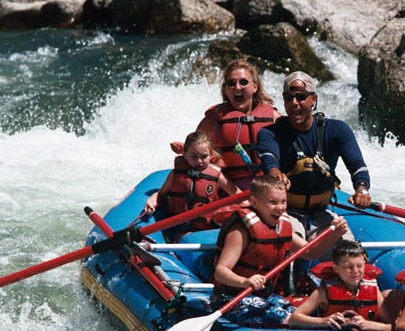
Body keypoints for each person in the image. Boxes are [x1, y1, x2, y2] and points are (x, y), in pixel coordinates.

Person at [211, 175, 349, 327]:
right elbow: (220, 271)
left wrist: (333, 234)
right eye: (272, 202)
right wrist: (245, 281)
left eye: (283, 202)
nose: (280, 208)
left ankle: (322, 323)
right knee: (286, 319)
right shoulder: (241, 230)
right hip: (231, 298)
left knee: (306, 313)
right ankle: (321, 324)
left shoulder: (282, 225)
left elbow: (310, 254)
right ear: (255, 202)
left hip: (265, 296)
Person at [256, 71, 372, 235]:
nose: (294, 103)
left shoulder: (338, 130)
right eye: (289, 98)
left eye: (301, 96)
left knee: (349, 254)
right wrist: (274, 173)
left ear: (314, 100)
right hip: (285, 213)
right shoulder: (270, 133)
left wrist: (362, 189)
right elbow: (269, 159)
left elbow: (357, 166)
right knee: (292, 241)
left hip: (322, 212)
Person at [194, 59, 280, 191]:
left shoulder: (273, 117)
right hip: (229, 192)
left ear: (255, 87)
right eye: (231, 83)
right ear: (226, 90)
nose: (237, 87)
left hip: (267, 191)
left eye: (244, 82)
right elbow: (193, 158)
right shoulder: (212, 121)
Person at [143, 130, 236, 240]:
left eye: (204, 156)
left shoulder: (217, 177)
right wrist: (153, 199)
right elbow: (162, 194)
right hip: (178, 227)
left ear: (211, 155)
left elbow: (238, 195)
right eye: (193, 156)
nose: (199, 161)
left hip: (206, 230)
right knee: (182, 237)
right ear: (185, 154)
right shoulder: (175, 174)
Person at [289, 240, 392, 331]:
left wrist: (371, 325)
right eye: (349, 267)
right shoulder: (324, 291)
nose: (355, 271)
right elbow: (294, 319)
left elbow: (392, 325)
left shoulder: (373, 288)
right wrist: (323, 321)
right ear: (336, 268)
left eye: (360, 266)